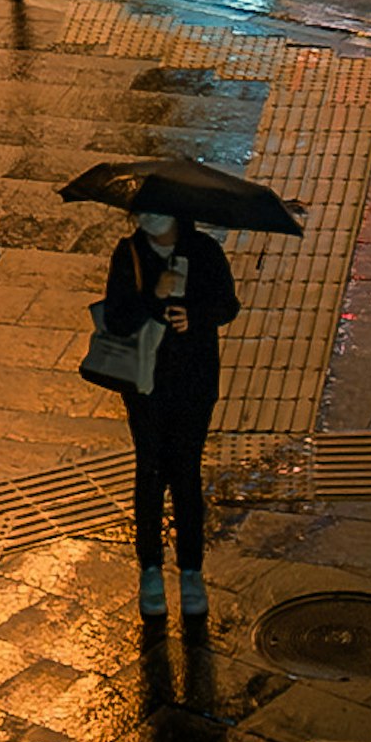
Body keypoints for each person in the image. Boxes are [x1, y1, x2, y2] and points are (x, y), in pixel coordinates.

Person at [100, 179, 240, 622]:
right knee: (150, 470)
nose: (146, 221)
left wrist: (193, 316)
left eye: (155, 212)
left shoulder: (204, 252)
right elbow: (117, 318)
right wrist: (151, 298)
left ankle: (192, 571)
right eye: (140, 213)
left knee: (186, 472)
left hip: (195, 379)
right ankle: (150, 570)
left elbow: (227, 305)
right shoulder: (129, 254)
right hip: (146, 384)